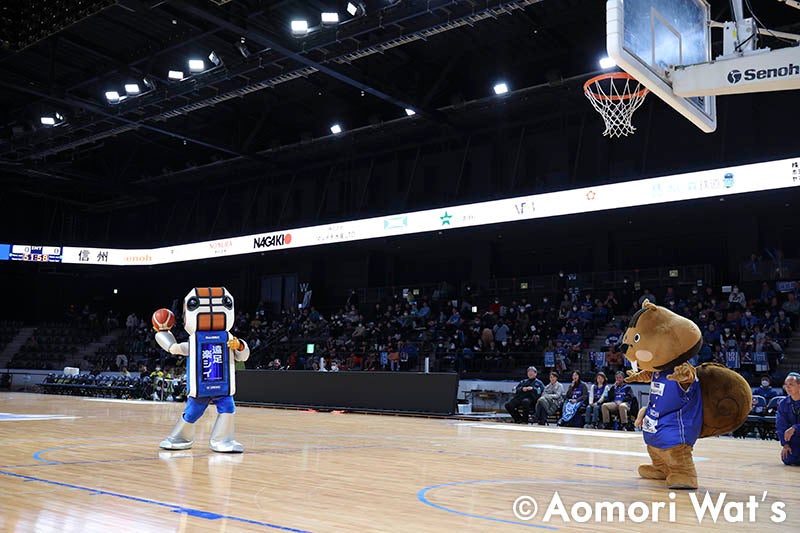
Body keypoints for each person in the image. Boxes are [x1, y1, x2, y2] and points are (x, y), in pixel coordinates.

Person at [155, 287, 250, 453]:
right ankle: (178, 438)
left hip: (222, 386)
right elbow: (174, 348)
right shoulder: (195, 341)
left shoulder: (229, 339)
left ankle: (223, 440)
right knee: (192, 412)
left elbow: (243, 356)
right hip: (201, 386)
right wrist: (162, 333)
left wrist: (240, 345)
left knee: (228, 408)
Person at [777, 372, 800, 466]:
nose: (787, 387)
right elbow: (780, 425)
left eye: (791, 384)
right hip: (795, 439)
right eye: (786, 384)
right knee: (787, 458)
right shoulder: (783, 403)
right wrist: (785, 444)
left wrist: (795, 428)